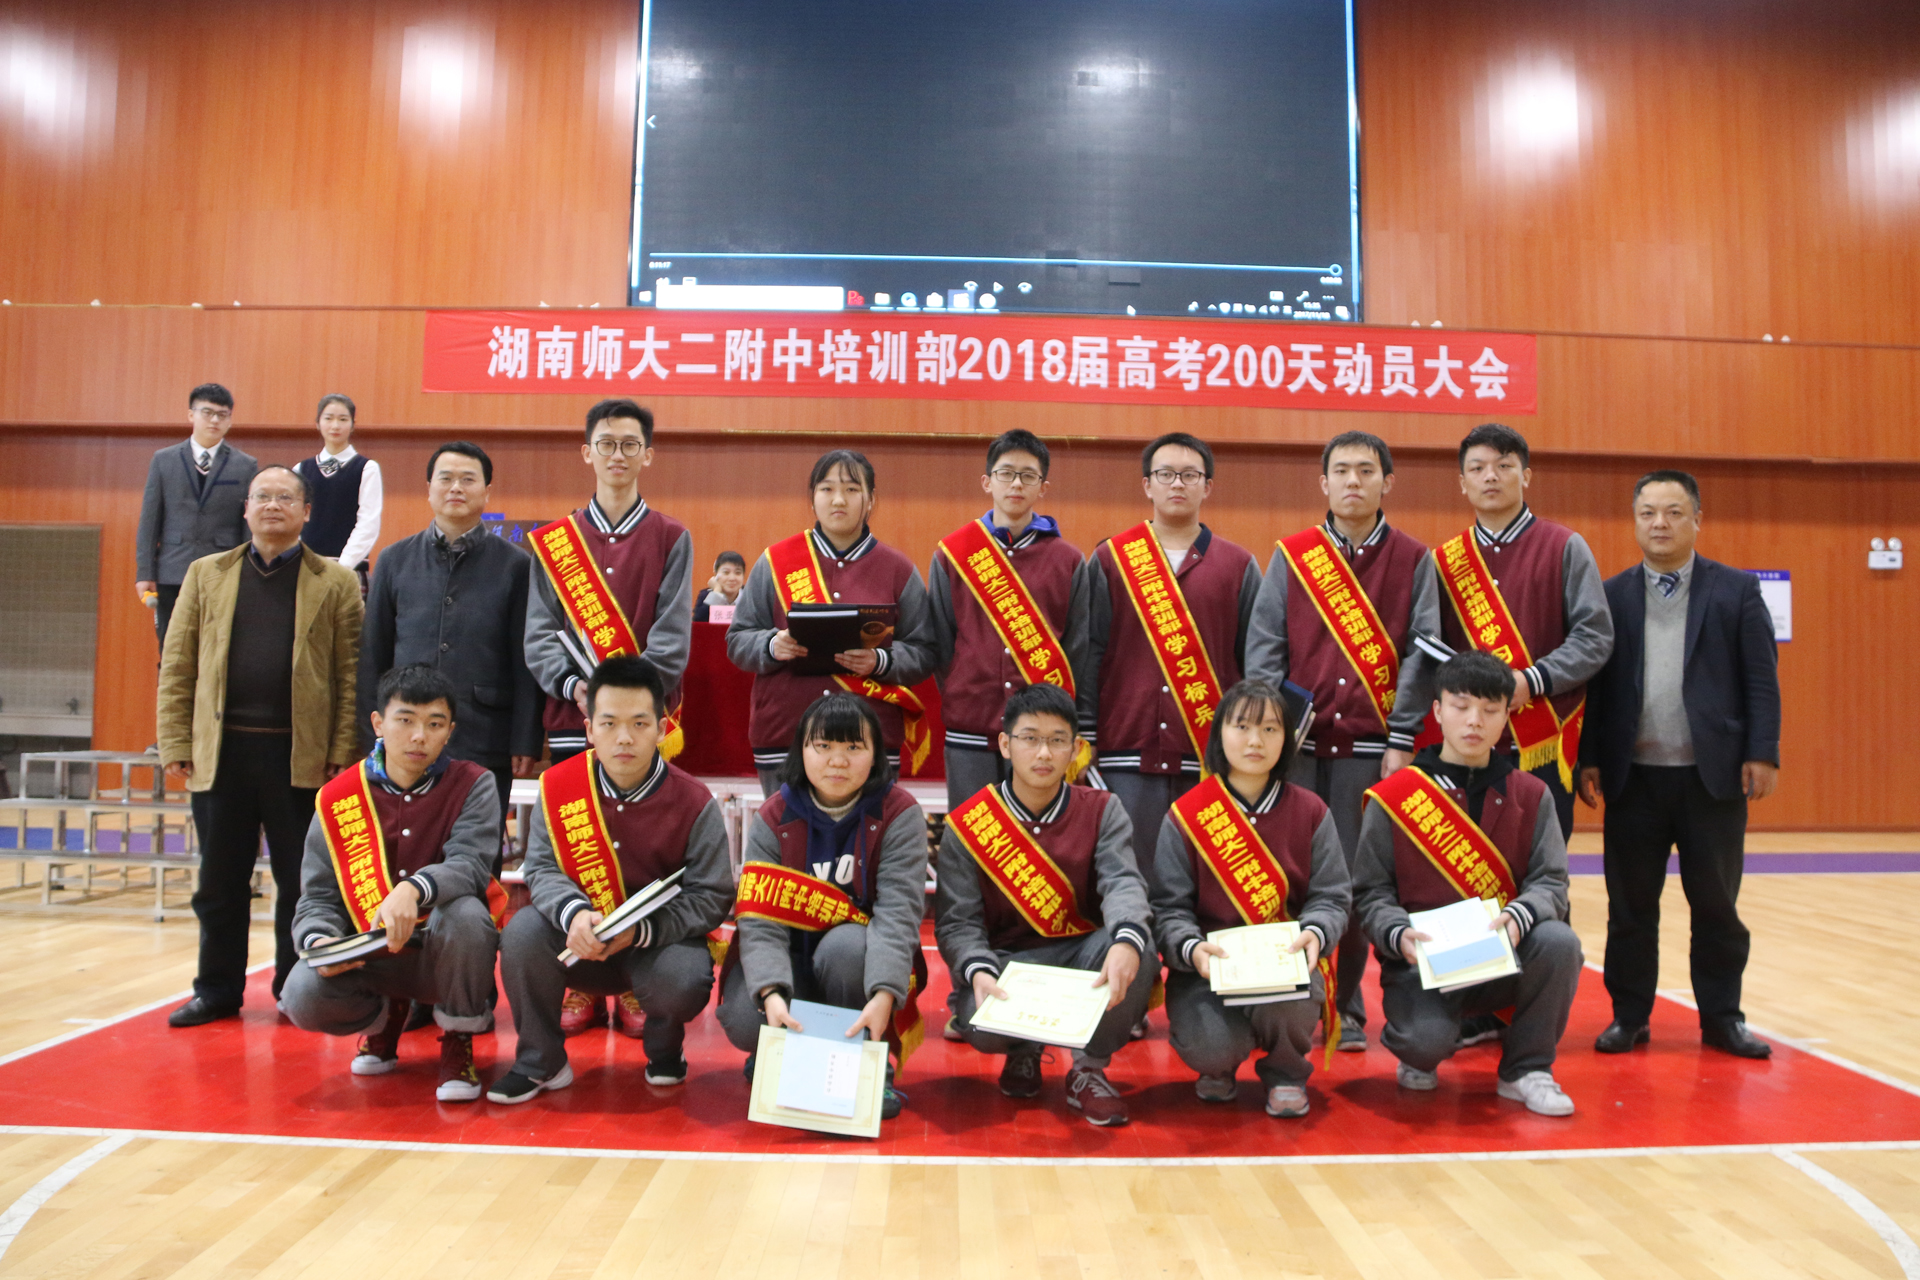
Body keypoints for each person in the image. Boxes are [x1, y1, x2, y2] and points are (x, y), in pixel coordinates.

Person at [1577, 470, 1782, 1060]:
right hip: (1633, 779)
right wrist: (1590, 758)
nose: (1660, 524)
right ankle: (1629, 1017)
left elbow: (1761, 680)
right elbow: (1597, 689)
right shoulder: (1611, 595)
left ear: (1697, 519)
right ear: (1635, 521)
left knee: (1716, 907)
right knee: (1630, 909)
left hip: (1711, 779)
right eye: (1648, 513)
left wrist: (1762, 751)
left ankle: (1722, 1019)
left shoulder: (1736, 591)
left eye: (1673, 512)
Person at [1246, 431, 1437, 1052]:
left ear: (1387, 481)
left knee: (1354, 884)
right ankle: (1281, 1000)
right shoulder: (1292, 556)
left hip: (1372, 750)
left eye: (1367, 470)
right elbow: (1265, 649)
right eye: (1342, 471)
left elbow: (1424, 652)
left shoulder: (1414, 559)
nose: (1354, 481)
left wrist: (1402, 735)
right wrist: (1270, 736)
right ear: (1323, 482)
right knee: (1287, 878)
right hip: (1297, 752)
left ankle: (1347, 1007)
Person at [157, 465, 363, 1026]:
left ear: (306, 512)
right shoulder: (206, 574)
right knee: (219, 882)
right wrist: (175, 739)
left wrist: (342, 750)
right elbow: (177, 664)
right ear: (245, 508)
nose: (273, 505)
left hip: (301, 758)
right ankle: (216, 989)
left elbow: (350, 675)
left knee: (301, 883)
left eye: (286, 497)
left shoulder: (336, 582)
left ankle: (292, 990)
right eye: (263, 496)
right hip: (222, 755)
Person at [490, 656, 734, 1102]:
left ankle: (665, 1050)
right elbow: (541, 868)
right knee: (522, 933)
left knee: (684, 975)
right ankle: (540, 1062)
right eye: (609, 723)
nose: (624, 737)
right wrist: (574, 914)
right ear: (589, 730)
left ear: (662, 729)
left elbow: (711, 896)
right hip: (578, 942)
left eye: (639, 724)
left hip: (653, 947)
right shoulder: (558, 786)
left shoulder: (694, 801)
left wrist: (641, 931)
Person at [1351, 651, 1584, 1116]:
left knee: (1559, 942)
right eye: (1461, 706)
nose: (1474, 720)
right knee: (1423, 1046)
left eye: (1490, 709)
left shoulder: (1531, 794)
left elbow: (1551, 882)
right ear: (1437, 711)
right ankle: (1424, 1040)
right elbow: (1370, 893)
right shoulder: (1395, 797)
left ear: (1506, 717)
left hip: (1503, 959)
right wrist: (1398, 934)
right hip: (1421, 965)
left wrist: (1520, 917)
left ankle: (1527, 1070)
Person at [935, 684, 1155, 1127]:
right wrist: (978, 969)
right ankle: (1023, 1050)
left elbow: (1123, 883)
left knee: (1138, 949)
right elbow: (958, 923)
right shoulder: (969, 824)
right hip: (1007, 964)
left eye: (1057, 740)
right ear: (1005, 744)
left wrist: (1127, 939)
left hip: (1081, 958)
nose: (1043, 752)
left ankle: (1088, 1069)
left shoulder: (1103, 809)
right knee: (977, 1021)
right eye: (1030, 738)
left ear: (1075, 748)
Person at [282, 665, 501, 1102]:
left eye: (434, 724)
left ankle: (458, 1037)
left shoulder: (474, 783)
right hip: (372, 957)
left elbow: (471, 865)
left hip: (443, 953)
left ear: (449, 731)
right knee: (301, 993)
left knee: (467, 913)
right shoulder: (340, 797)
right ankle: (384, 1020)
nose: (419, 736)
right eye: (405, 720)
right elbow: (318, 897)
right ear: (378, 723)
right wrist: (320, 941)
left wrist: (415, 888)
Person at [715, 694, 927, 1118]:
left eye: (854, 747)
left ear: (876, 754)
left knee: (847, 946)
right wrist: (771, 992)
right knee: (744, 1018)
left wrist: (884, 994)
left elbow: (898, 915)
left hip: (858, 965)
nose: (838, 760)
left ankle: (871, 1063)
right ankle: (777, 1051)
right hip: (789, 959)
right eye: (823, 746)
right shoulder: (774, 816)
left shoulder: (899, 813)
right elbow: (759, 921)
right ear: (801, 751)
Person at [1151, 679, 1350, 1118]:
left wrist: (1317, 932)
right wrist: (1191, 948)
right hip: (1207, 971)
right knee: (1211, 1047)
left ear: (1287, 739)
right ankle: (1219, 1064)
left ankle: (1286, 1072)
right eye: (1242, 727)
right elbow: (1168, 908)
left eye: (1270, 729)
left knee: (1293, 1003)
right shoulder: (1187, 815)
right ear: (1219, 733)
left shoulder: (1311, 811)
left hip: (1285, 967)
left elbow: (1332, 897)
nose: (1255, 740)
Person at [1083, 432, 1262, 880]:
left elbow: (1253, 664)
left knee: (1207, 881)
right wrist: (1085, 736)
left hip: (1208, 754)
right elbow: (1089, 653)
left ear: (1208, 486)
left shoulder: (1239, 566)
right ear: (1147, 485)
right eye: (1165, 474)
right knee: (1128, 878)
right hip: (1125, 749)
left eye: (1189, 475)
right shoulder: (1111, 560)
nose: (1177, 484)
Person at [1435, 423, 1613, 839]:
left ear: (1526, 475)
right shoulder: (1444, 560)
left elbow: (1595, 637)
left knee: (1540, 862)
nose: (1490, 476)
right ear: (1462, 483)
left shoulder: (1564, 546)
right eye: (1477, 468)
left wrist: (1531, 681)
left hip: (1541, 742)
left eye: (1504, 466)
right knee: (1465, 862)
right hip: (1467, 744)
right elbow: (1432, 648)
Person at [726, 449, 938, 795]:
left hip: (869, 741)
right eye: (827, 489)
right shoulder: (775, 562)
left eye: (852, 489)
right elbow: (737, 640)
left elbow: (925, 651)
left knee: (869, 831)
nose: (839, 499)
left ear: (871, 499)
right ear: (812, 498)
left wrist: (880, 660)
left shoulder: (898, 569)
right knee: (787, 829)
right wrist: (772, 645)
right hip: (786, 736)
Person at [358, 441, 542, 816]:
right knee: (404, 838)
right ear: (429, 489)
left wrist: (525, 739)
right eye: (446, 478)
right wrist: (368, 735)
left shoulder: (516, 565)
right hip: (404, 737)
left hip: (485, 734)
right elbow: (373, 654)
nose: (456, 487)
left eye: (468, 479)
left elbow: (525, 660)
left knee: (479, 839)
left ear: (487, 492)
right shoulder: (394, 559)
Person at [928, 428, 1091, 813]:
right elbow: (940, 642)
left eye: (1028, 475)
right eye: (1006, 473)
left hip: (1042, 735)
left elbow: (1078, 648)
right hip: (969, 728)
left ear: (1043, 487)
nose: (1016, 483)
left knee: (1039, 836)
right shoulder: (953, 555)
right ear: (988, 481)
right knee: (973, 836)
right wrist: (965, 686)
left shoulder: (1068, 560)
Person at [525, 399, 693, 765]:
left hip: (643, 719)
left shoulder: (672, 537)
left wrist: (629, 693)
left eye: (630, 445)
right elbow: (539, 634)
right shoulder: (556, 541)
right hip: (574, 714)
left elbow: (672, 637)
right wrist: (573, 686)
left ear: (647, 455)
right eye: (606, 444)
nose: (618, 455)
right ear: (588, 452)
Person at [135, 383, 258, 651]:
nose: (214, 420)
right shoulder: (164, 460)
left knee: (216, 648)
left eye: (222, 415)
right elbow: (149, 521)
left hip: (223, 570)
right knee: (171, 647)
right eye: (207, 412)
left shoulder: (245, 465)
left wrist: (249, 572)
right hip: (172, 570)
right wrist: (144, 572)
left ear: (230, 420)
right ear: (191, 414)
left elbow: (248, 526)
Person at [295, 393, 382, 580]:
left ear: (353, 425)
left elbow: (369, 523)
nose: (335, 425)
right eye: (328, 418)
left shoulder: (367, 468)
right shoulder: (300, 469)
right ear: (317, 423)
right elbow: (293, 519)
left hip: (349, 570)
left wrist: (343, 566)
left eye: (343, 419)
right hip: (305, 567)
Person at [693, 550, 747, 622]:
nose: (732, 578)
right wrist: (716, 592)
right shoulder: (705, 596)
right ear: (716, 574)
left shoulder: (751, 598)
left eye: (738, 573)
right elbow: (698, 622)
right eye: (726, 572)